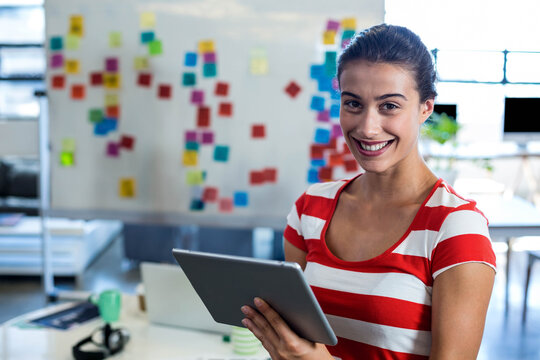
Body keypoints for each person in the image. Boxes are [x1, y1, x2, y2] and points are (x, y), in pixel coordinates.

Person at [240, 23, 497, 359]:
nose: (367, 128)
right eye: (353, 104)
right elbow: (298, 339)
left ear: (426, 108)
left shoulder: (456, 229)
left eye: (389, 106)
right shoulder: (310, 208)